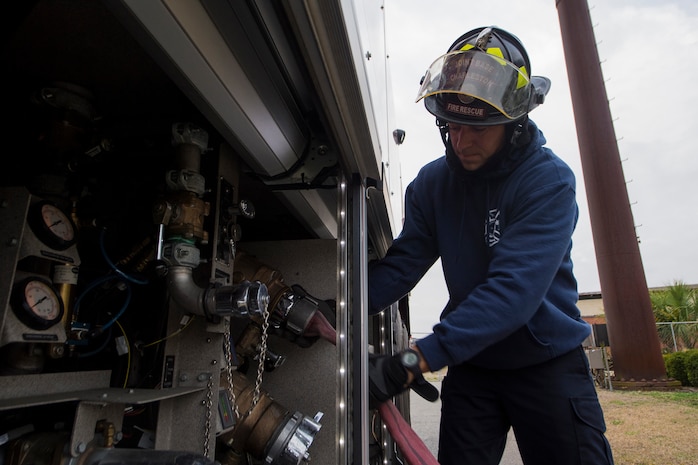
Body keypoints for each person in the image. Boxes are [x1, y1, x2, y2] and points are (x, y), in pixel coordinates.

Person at [367, 26, 614, 465]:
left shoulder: (547, 182)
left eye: (477, 130)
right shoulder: (432, 185)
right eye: (452, 126)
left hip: (547, 363)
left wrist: (410, 360)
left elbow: (510, 295)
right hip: (475, 369)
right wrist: (338, 305)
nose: (461, 142)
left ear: (512, 122)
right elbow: (402, 266)